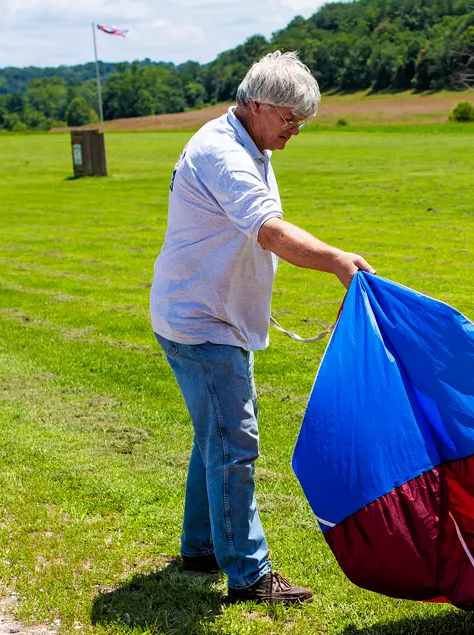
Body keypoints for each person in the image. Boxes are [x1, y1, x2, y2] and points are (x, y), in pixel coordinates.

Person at [149, 51, 373, 605]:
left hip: (203, 313)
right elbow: (268, 231)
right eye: (289, 119)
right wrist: (338, 262)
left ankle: (201, 545)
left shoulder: (247, 141)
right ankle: (249, 575)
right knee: (234, 443)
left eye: (302, 123)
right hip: (202, 322)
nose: (295, 131)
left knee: (215, 437)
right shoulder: (224, 153)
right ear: (257, 105)